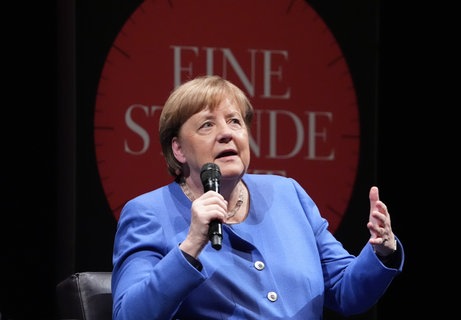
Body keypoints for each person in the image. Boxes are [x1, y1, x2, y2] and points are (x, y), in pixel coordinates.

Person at [111, 74, 405, 319]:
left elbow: (344, 290)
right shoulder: (149, 212)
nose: (227, 134)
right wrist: (189, 247)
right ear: (178, 150)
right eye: (207, 124)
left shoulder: (287, 194)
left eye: (235, 121)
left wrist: (382, 250)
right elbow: (128, 315)